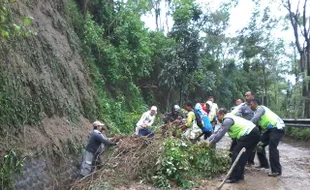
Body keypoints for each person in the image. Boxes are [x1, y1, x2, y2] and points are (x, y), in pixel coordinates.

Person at [206, 108, 260, 183]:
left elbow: (220, 134)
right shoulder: (228, 119)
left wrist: (211, 143)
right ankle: (239, 176)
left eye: (218, 116)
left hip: (250, 134)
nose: (217, 119)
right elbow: (217, 132)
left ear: (222, 114)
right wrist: (207, 141)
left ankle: (234, 178)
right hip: (254, 133)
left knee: (236, 153)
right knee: (243, 156)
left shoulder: (227, 120)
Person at [249, 98, 285, 177]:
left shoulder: (260, 108)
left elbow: (254, 119)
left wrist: (246, 125)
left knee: (272, 148)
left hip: (277, 128)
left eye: (251, 104)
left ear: (255, 104)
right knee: (259, 144)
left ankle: (276, 171)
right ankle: (264, 164)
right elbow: (258, 127)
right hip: (269, 130)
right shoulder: (256, 112)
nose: (250, 106)